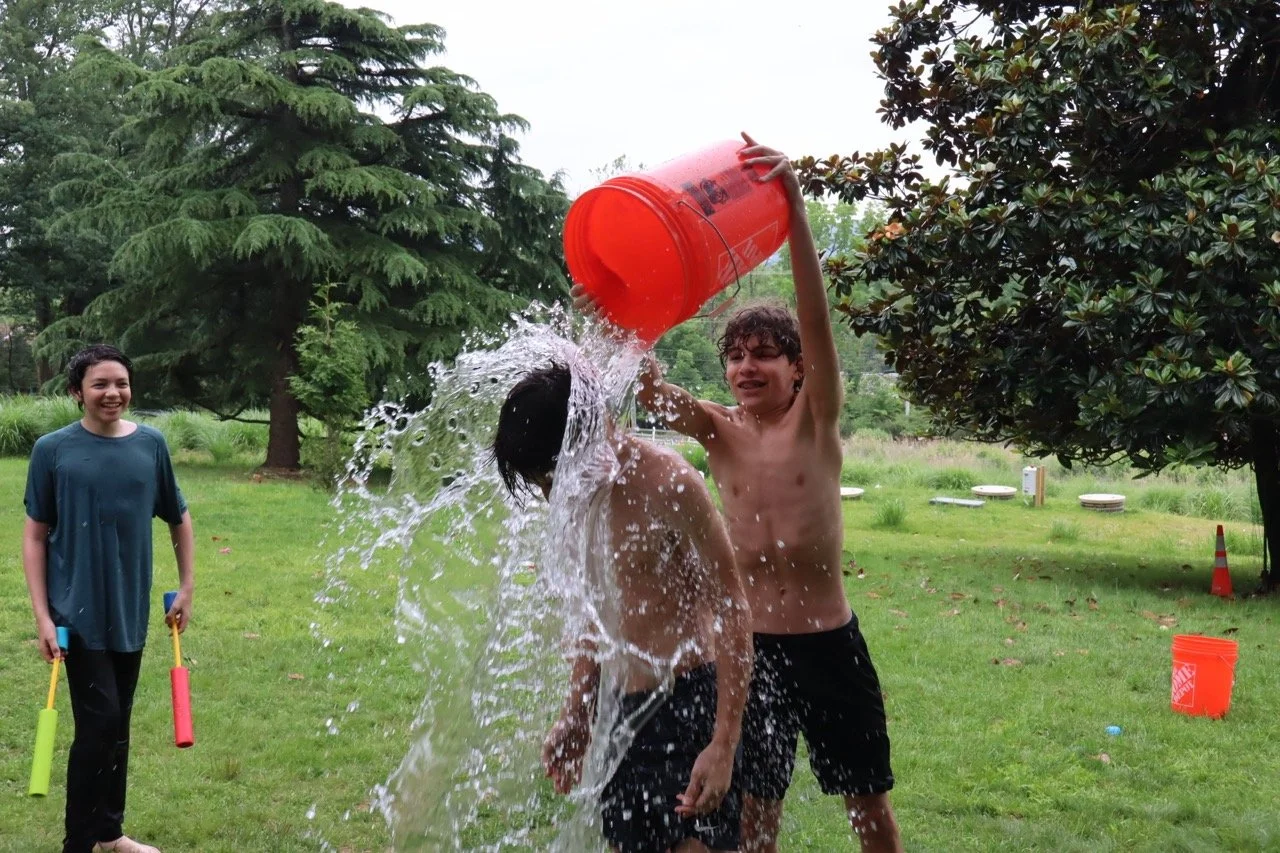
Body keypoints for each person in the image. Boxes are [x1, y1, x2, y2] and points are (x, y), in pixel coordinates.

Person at [574, 134, 902, 852]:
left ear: (797, 368)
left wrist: (799, 217)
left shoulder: (816, 424)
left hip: (828, 643)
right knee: (755, 812)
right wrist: (619, 303)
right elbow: (652, 386)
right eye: (735, 355)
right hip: (750, 648)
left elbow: (817, 319)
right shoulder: (718, 430)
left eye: (765, 355)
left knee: (865, 804)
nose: (747, 367)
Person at [492, 360, 752, 852]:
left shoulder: (668, 483)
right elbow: (595, 611)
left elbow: (733, 605)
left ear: (587, 440)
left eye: (552, 479)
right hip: (621, 709)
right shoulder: (577, 500)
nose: (552, 496)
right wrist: (578, 712)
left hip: (689, 703)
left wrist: (723, 744)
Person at [22, 345, 195, 853]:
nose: (112, 393)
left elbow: (178, 517)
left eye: (120, 382)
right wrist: (42, 618)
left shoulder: (152, 446)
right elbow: (35, 536)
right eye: (99, 384)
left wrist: (186, 586)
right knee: (98, 725)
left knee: (117, 725)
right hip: (75, 612)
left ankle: (110, 833)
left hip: (131, 611)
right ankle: (79, 842)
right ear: (78, 392)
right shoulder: (52, 450)